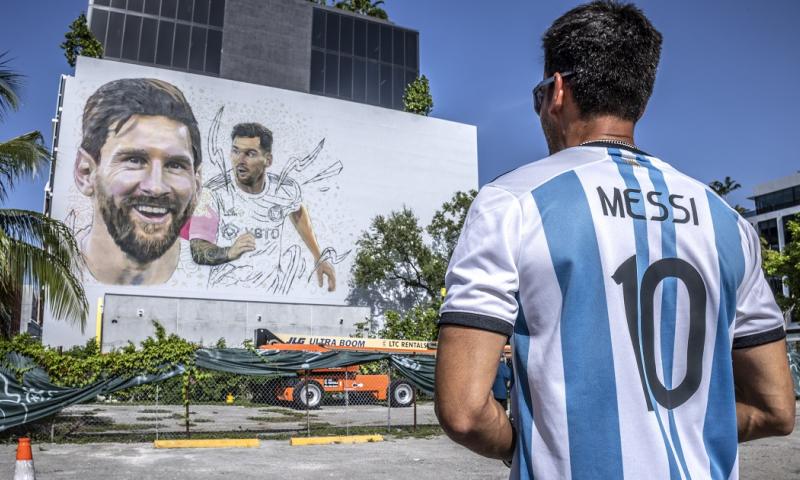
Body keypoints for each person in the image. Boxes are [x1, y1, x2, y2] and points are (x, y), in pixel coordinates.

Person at [434, 2, 796, 479]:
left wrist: (528, 446)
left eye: (538, 96)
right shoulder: (727, 222)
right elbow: (776, 409)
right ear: (640, 103)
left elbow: (463, 409)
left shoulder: (512, 203)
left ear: (556, 91)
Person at [73, 78, 202, 285]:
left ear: (198, 183)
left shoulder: (212, 279)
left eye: (175, 165)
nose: (156, 187)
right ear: (85, 172)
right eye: (134, 160)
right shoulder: (58, 272)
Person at [189, 122, 336, 292]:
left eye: (250, 154)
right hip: (226, 294)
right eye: (235, 151)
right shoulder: (213, 192)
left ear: (268, 160)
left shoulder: (285, 189)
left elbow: (298, 213)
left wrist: (318, 257)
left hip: (272, 296)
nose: (240, 160)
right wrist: (229, 252)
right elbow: (197, 247)